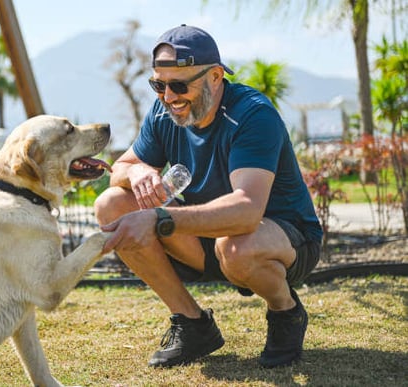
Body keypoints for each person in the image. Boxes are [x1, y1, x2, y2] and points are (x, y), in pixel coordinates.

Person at [95, 24, 322, 369]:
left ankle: (285, 312)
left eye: (179, 85)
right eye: (158, 85)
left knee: (236, 246)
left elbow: (247, 211)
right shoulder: (163, 113)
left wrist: (160, 218)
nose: (168, 96)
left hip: (282, 240)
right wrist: (137, 171)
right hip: (210, 239)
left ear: (216, 77)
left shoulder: (252, 115)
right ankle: (192, 323)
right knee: (111, 204)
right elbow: (120, 167)